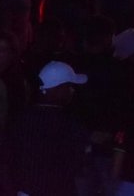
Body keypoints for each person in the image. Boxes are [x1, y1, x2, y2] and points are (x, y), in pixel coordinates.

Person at [7, 60, 92, 196]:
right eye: (69, 86)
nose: (72, 91)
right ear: (57, 90)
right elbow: (78, 163)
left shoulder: (21, 118)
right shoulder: (68, 124)